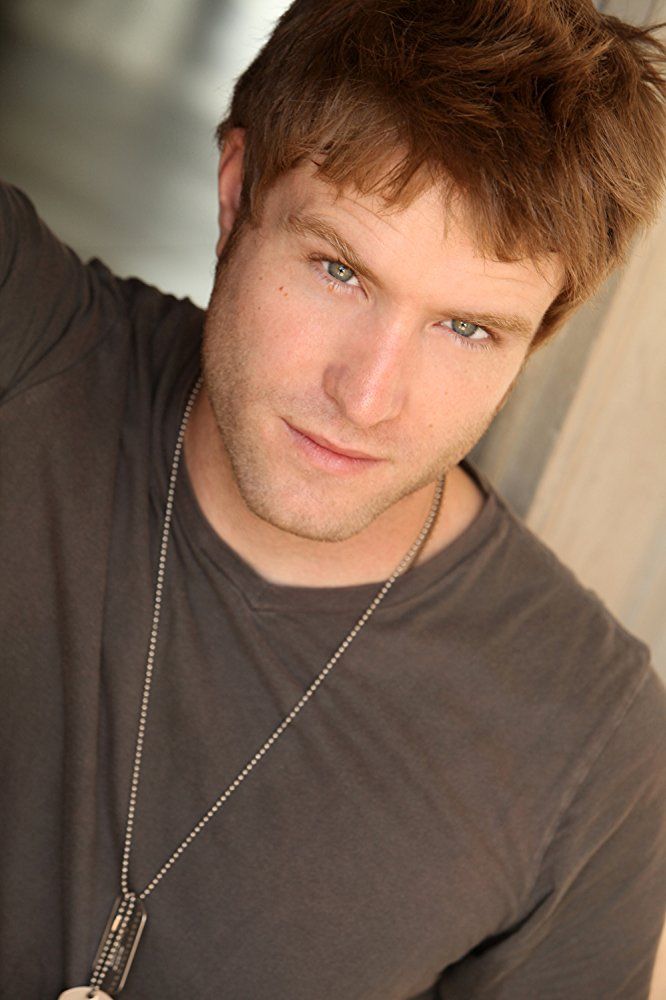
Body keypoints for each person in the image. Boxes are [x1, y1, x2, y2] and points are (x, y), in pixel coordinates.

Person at [1, 0, 665, 997]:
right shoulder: (24, 347)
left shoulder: (586, 743)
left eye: (468, 328)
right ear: (236, 193)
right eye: (340, 269)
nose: (367, 397)